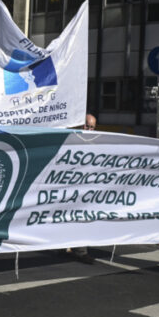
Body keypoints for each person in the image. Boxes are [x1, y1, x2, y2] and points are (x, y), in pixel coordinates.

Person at [67, 113, 98, 264]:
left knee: (81, 217)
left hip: (83, 190)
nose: (89, 129)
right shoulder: (69, 140)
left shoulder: (95, 145)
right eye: (86, 125)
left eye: (92, 127)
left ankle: (80, 251)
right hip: (66, 187)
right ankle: (63, 246)